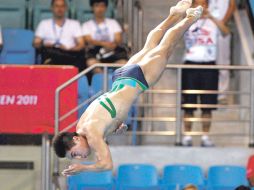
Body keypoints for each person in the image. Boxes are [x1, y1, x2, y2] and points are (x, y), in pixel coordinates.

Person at [53, 0, 203, 175]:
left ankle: (189, 18)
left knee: (165, 48)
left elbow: (107, 165)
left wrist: (83, 169)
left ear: (76, 139)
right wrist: (117, 124)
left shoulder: (92, 135)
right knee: (150, 46)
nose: (79, 158)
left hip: (135, 82)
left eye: (74, 154)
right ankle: (173, 15)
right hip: (121, 78)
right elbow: (105, 119)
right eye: (76, 158)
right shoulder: (82, 126)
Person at [181, 0, 230, 147]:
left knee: (208, 106)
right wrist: (189, 17)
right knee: (188, 106)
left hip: (209, 66)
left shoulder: (213, 22)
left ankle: (205, 136)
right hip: (190, 65)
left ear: (208, 6)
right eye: (197, 4)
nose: (200, 7)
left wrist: (212, 17)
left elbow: (226, 32)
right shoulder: (187, 22)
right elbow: (175, 33)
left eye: (203, 4)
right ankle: (187, 136)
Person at [33, 0, 85, 71]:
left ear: (66, 8)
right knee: (48, 52)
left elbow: (81, 45)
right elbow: (36, 43)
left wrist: (68, 49)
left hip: (68, 54)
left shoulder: (74, 24)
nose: (59, 9)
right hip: (50, 52)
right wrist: (44, 44)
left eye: (62, 6)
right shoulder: (44, 24)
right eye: (56, 6)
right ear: (51, 8)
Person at [82, 0, 128, 74]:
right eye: (97, 5)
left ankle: (113, 80)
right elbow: (89, 40)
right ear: (92, 7)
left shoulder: (113, 23)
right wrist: (104, 44)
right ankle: (103, 80)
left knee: (124, 63)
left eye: (102, 6)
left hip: (112, 51)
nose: (100, 9)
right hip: (95, 53)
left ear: (106, 8)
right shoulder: (86, 25)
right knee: (91, 63)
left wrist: (110, 45)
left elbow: (118, 39)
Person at [209, 0, 236, 104]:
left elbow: (232, 6)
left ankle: (222, 94)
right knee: (207, 61)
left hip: (222, 29)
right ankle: (207, 92)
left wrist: (222, 23)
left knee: (223, 62)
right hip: (208, 28)